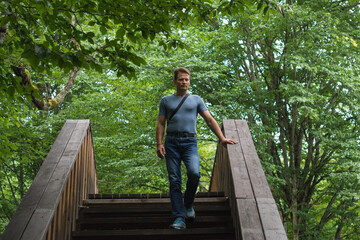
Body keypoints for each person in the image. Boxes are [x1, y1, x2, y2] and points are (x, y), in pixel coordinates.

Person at [155, 67, 238, 229]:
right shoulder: (166, 100)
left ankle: (188, 204)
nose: (184, 82)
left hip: (190, 142)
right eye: (181, 79)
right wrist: (159, 143)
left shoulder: (196, 100)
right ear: (174, 81)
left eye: (186, 79)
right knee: (174, 180)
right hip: (171, 142)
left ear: (189, 81)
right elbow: (160, 123)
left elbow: (209, 120)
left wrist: (222, 138)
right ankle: (179, 218)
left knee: (194, 173)